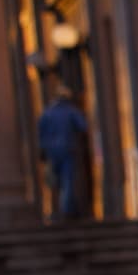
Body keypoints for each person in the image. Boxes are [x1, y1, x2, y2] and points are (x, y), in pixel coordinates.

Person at [37, 85, 88, 221]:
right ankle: (66, 211)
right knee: (67, 181)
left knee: (54, 182)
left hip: (51, 152)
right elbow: (83, 126)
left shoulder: (47, 113)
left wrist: (43, 150)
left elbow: (40, 133)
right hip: (67, 149)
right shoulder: (71, 111)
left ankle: (53, 210)